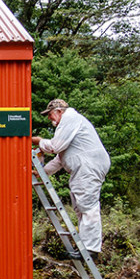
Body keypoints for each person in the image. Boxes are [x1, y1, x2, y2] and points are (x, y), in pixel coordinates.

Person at [32, 99, 110, 263]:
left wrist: (39, 141)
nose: (49, 119)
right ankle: (86, 247)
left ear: (59, 111)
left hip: (88, 166)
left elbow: (55, 147)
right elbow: (61, 158)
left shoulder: (70, 119)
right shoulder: (69, 124)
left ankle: (91, 249)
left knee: (87, 205)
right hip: (85, 166)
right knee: (81, 206)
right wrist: (43, 172)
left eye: (50, 114)